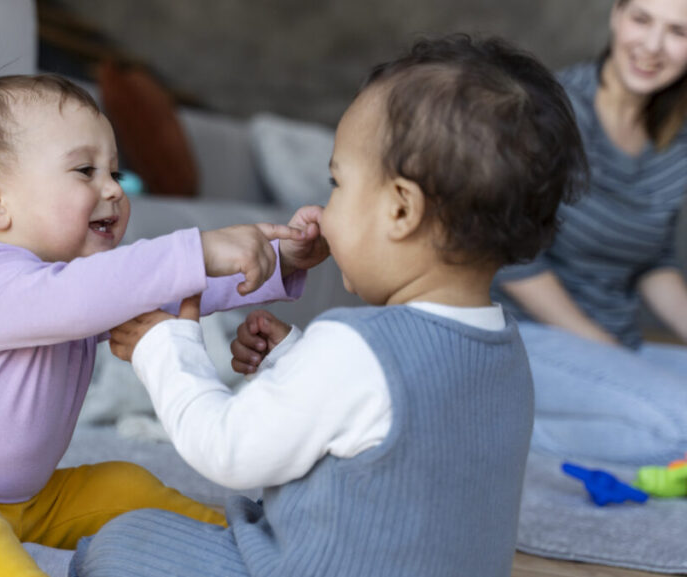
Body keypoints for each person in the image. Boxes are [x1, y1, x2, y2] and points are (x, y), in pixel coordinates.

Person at [69, 35, 586, 577]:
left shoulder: (354, 348)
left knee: (124, 542)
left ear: (401, 209)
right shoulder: (506, 349)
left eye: (337, 183)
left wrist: (164, 348)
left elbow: (227, 449)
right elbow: (387, 429)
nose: (323, 209)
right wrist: (294, 356)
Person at [0, 74, 327, 577]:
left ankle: (244, 552)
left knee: (123, 485)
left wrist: (277, 258)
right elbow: (91, 292)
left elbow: (160, 292)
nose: (113, 189)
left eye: (115, 171)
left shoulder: (69, 286)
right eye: (85, 170)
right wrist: (198, 248)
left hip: (24, 502)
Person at [494, 0, 687, 466]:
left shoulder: (677, 137)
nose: (653, 46)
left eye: (678, 32)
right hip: (528, 336)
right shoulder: (549, 111)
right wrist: (610, 354)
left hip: (619, 340)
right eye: (642, 20)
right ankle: (501, 424)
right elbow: (511, 254)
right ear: (616, 16)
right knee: (680, 426)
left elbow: (652, 261)